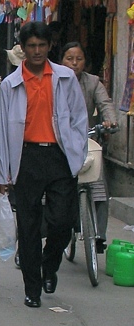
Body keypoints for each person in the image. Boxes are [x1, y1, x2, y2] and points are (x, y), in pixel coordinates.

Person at [0, 21, 88, 308]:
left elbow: (79, 118)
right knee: (29, 224)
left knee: (63, 220)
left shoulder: (64, 77)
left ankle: (50, 265)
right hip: (26, 157)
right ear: (22, 49)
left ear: (50, 47)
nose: (36, 51)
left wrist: (78, 150)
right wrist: (4, 171)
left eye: (42, 46)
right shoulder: (10, 85)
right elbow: (2, 130)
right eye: (31, 46)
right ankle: (32, 287)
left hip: (59, 156)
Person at [61, 41, 118, 253]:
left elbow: (105, 104)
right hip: (60, 143)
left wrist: (110, 121)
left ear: (85, 62)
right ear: (61, 60)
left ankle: (99, 236)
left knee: (100, 188)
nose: (74, 63)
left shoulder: (93, 82)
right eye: (69, 58)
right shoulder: (54, 81)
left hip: (87, 141)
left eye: (79, 59)